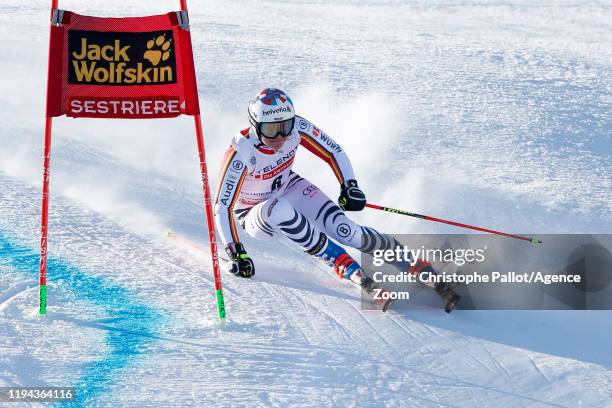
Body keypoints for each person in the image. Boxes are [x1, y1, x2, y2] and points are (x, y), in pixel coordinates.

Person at [213, 88, 459, 312]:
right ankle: (347, 266)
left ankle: (417, 267)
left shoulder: (297, 128)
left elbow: (334, 151)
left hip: (288, 186)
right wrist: (236, 252)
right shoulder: (241, 153)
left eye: (285, 126)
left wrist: (349, 186)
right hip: (255, 214)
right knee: (280, 209)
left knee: (347, 231)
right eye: (270, 130)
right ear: (256, 126)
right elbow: (222, 207)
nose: (279, 136)